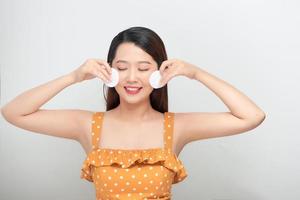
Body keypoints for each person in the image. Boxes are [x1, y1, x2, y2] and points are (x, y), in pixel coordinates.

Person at [1, 26, 266, 199]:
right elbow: (14, 112)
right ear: (110, 71)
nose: (131, 77)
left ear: (160, 72)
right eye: (122, 66)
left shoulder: (177, 126)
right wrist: (73, 76)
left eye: (143, 68)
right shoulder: (88, 124)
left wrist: (195, 73)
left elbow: (251, 116)